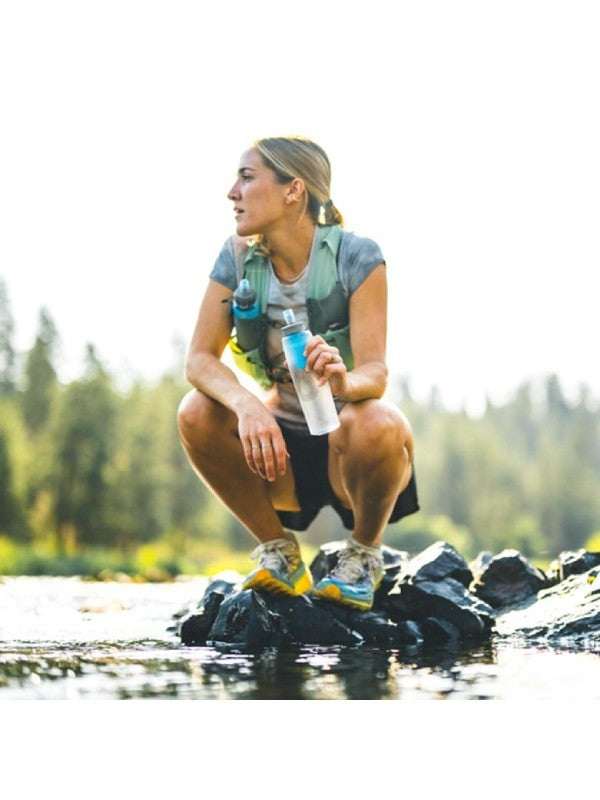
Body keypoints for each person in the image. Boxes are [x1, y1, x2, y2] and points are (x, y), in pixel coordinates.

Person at [177, 135, 418, 611]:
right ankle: (279, 552)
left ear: (294, 190)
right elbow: (199, 360)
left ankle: (363, 556)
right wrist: (247, 406)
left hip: (350, 455)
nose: (232, 192)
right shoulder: (236, 257)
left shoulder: (358, 255)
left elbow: (376, 372)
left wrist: (344, 383)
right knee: (196, 411)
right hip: (277, 456)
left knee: (378, 420)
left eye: (247, 178)